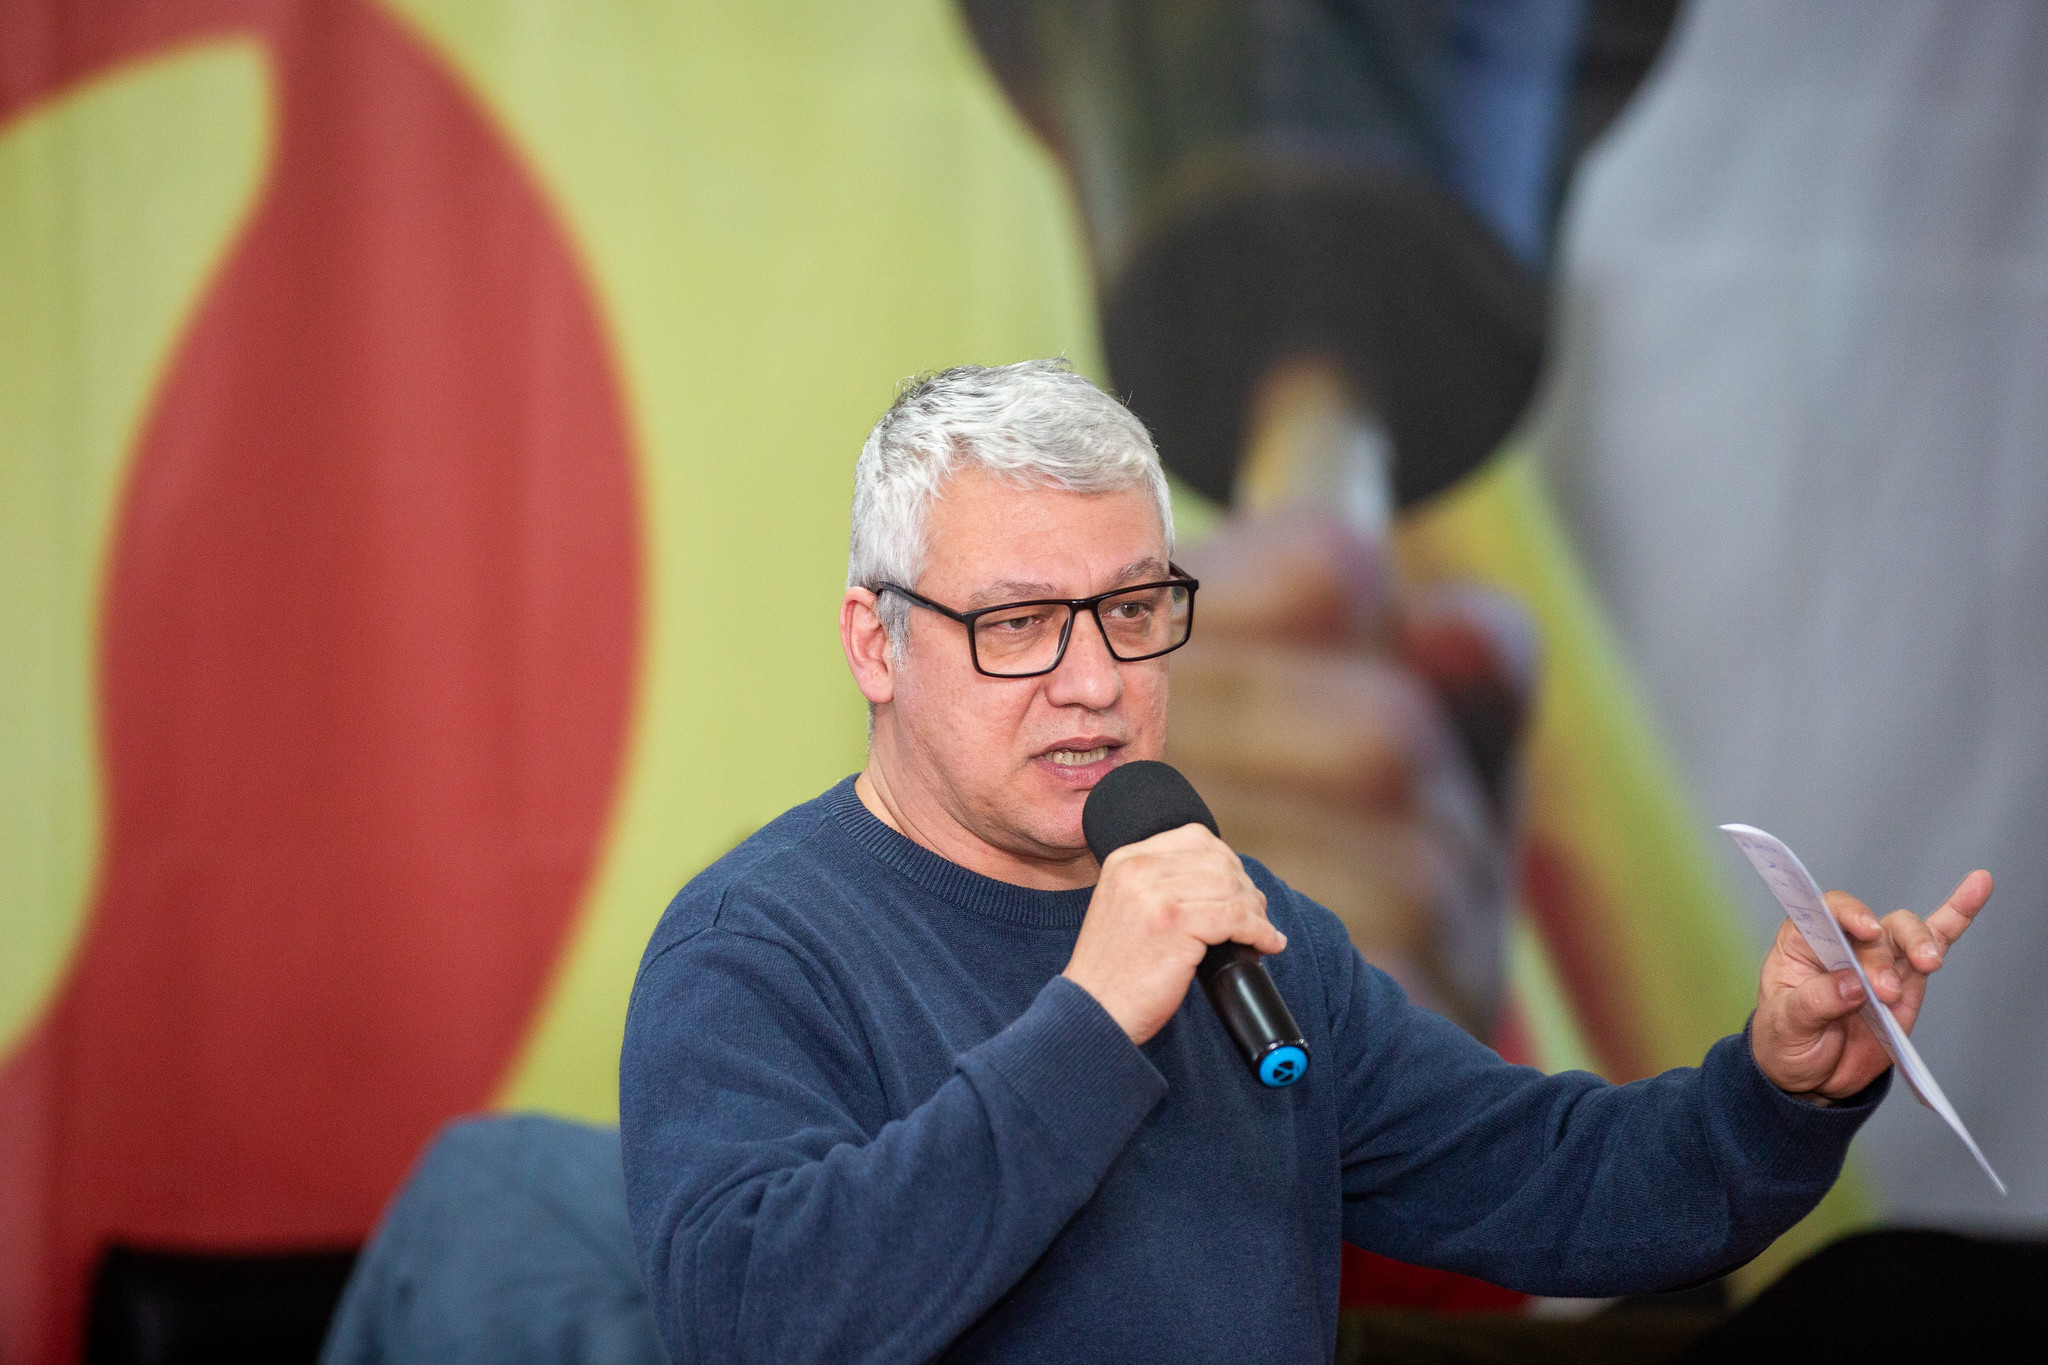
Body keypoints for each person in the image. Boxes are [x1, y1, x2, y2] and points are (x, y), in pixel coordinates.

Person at [618, 359, 1990, 1365]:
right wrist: (1093, 1020)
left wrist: (1778, 1090)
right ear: (876, 641)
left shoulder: (1240, 925)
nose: (1094, 681)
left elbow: (1563, 1183)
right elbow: (756, 1325)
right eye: (1021, 623)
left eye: (1134, 610)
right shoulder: (757, 946)